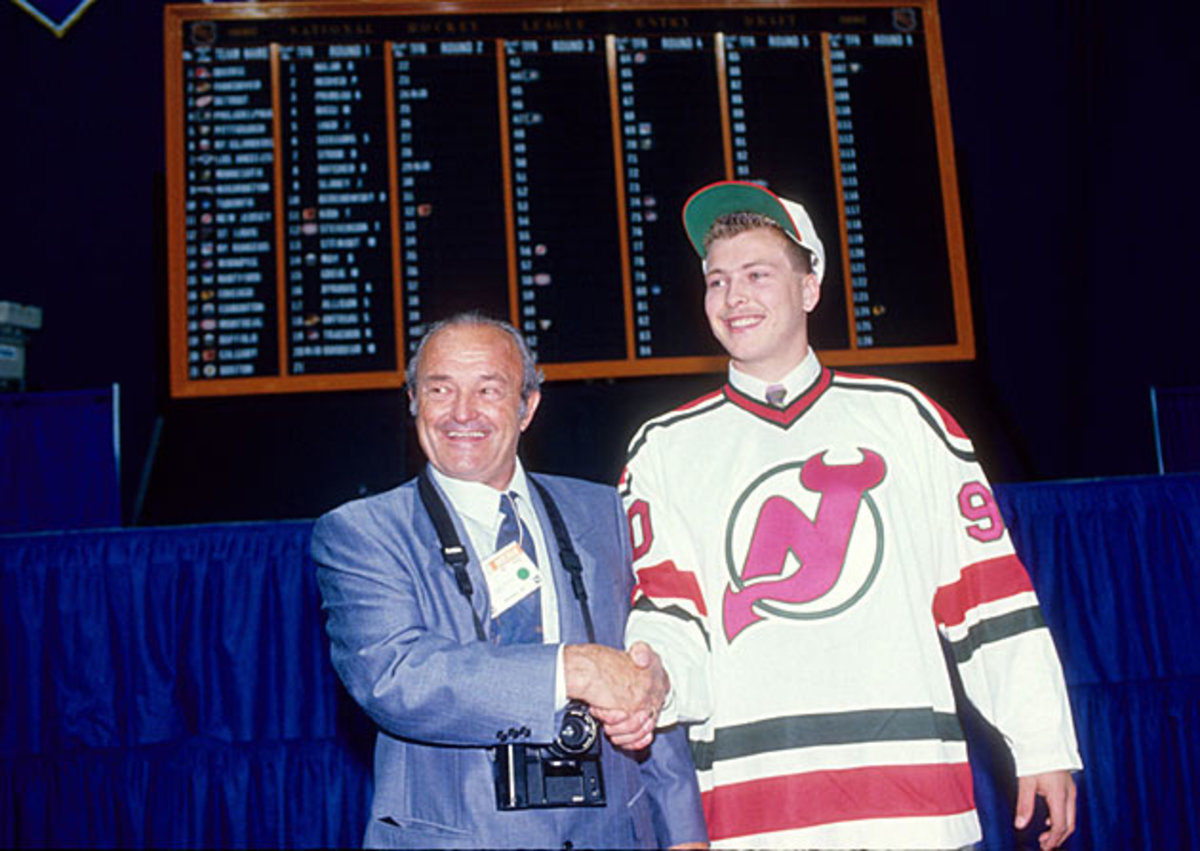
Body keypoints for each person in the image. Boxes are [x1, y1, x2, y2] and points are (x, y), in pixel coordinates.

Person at [616, 180, 1082, 850]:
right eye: (717, 280)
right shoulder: (664, 448)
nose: (733, 296)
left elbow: (986, 596)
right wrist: (651, 682)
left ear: (809, 288)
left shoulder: (908, 419)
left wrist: (1040, 740)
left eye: (757, 274)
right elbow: (670, 616)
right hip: (755, 816)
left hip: (914, 812)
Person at [311, 312, 707, 849]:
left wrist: (683, 833)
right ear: (413, 402)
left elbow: (642, 674)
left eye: (489, 390)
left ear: (528, 407)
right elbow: (396, 678)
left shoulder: (603, 512)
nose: (462, 412)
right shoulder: (361, 532)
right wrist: (571, 670)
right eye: (439, 389)